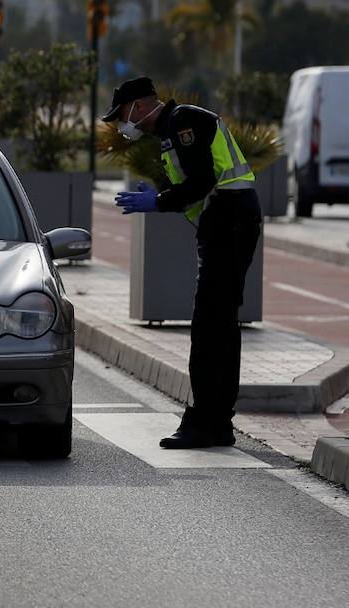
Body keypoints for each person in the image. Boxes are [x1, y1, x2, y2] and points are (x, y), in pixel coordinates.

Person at [108, 76, 261, 450]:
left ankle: (204, 423)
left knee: (209, 328)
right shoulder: (174, 129)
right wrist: (163, 197)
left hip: (229, 221)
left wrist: (159, 201)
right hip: (228, 221)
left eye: (122, 115)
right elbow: (196, 184)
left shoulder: (183, 124)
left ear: (140, 106)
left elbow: (202, 181)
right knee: (220, 326)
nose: (122, 124)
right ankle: (218, 422)